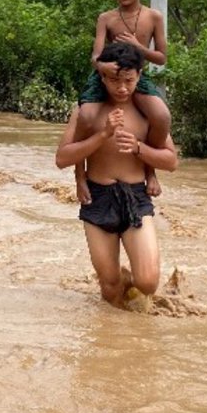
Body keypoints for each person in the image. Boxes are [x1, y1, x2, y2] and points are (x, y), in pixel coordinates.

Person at [56, 42, 178, 310]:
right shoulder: (87, 110)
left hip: (135, 196)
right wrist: (102, 135)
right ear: (102, 76)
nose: (122, 88)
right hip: (97, 198)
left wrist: (138, 148)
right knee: (110, 288)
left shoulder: (147, 112)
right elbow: (62, 158)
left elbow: (171, 160)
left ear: (139, 76)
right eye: (114, 80)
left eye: (129, 81)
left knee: (147, 282)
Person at [75, 0, 170, 205]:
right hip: (105, 77)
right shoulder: (106, 18)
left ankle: (150, 171)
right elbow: (95, 56)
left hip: (135, 77)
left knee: (161, 116)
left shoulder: (154, 17)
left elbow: (161, 58)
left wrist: (139, 47)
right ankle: (80, 176)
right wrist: (103, 66)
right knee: (85, 117)